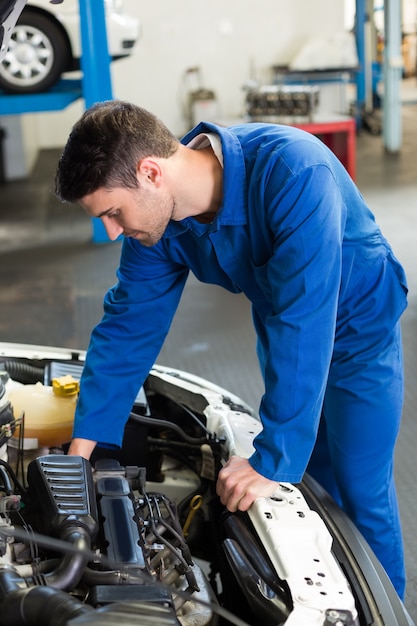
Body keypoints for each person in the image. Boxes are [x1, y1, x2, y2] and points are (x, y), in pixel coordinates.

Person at [55, 100, 408, 598]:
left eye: (113, 212)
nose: (112, 230)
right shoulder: (158, 225)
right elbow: (128, 326)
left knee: (359, 490)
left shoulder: (292, 171)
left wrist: (270, 460)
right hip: (285, 331)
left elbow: (306, 316)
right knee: (315, 483)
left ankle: (388, 603)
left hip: (357, 335)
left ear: (151, 172)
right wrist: (86, 443)